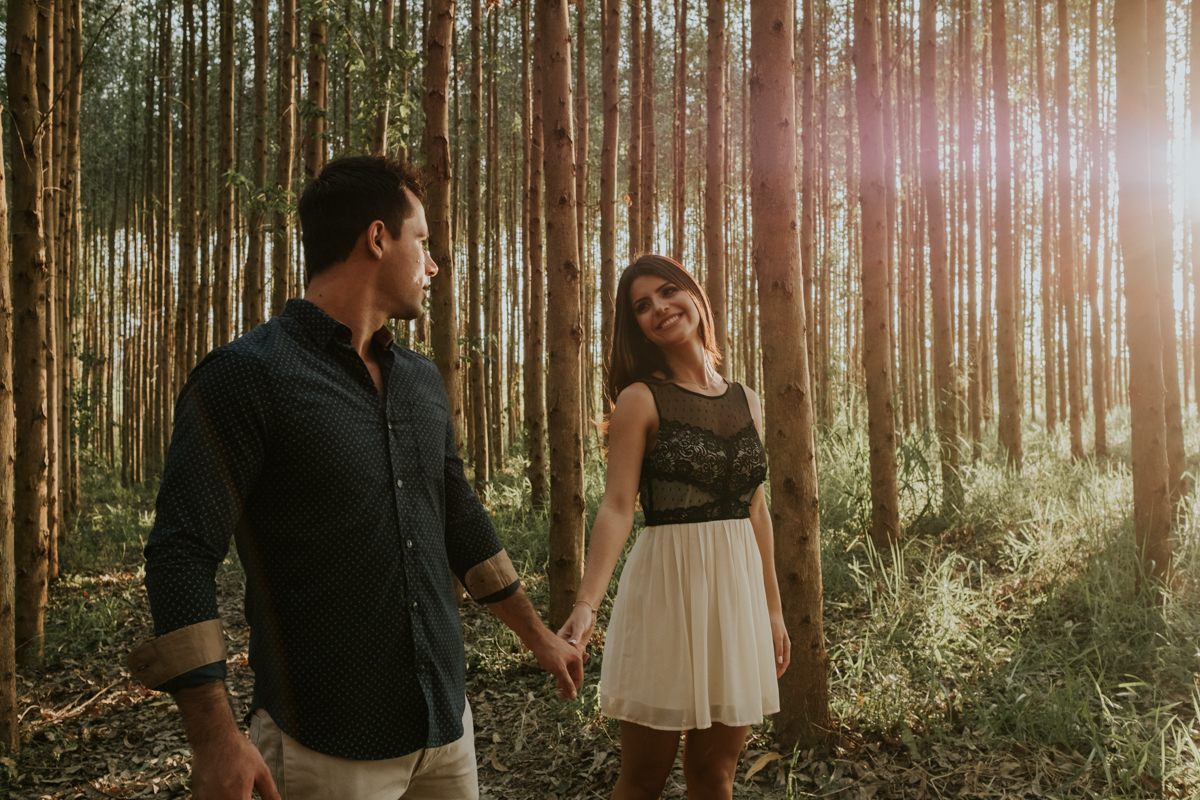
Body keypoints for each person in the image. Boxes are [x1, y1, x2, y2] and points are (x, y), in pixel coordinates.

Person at [127, 155, 584, 800]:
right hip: (324, 746)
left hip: (446, 730)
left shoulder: (423, 383)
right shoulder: (245, 376)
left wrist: (538, 638)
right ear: (377, 238)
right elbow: (180, 553)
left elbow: (461, 521)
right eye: (422, 241)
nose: (433, 264)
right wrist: (213, 737)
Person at [556, 254, 790, 800]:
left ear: (694, 295)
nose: (659, 308)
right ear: (635, 326)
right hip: (668, 592)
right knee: (643, 780)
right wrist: (588, 604)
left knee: (715, 777)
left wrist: (772, 608)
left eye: (667, 292)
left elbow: (756, 508)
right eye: (642, 306)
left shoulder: (747, 401)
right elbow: (617, 507)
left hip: (736, 598)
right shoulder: (640, 400)